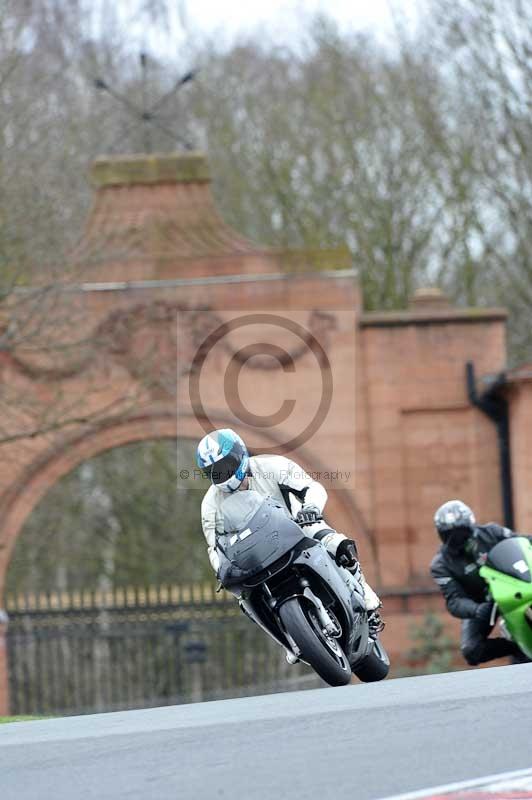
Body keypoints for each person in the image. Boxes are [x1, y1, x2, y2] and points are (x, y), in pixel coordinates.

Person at [196, 428, 384, 654]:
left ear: (240, 455)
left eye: (226, 465)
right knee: (243, 599)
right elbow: (214, 546)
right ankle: (289, 640)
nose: (223, 474)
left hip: (295, 530)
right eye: (215, 472)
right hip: (254, 555)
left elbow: (312, 487)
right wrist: (221, 569)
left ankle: (365, 597)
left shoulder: (272, 466)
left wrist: (311, 507)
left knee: (329, 538)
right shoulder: (210, 504)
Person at [431, 499, 528, 666]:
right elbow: (453, 600)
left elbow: (522, 543)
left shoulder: (492, 532)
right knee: (471, 650)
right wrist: (475, 609)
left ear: (471, 525)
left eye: (461, 532)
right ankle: (516, 646)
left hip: (515, 584)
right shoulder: (440, 565)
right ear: (442, 535)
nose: (458, 538)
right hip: (482, 603)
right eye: (450, 535)